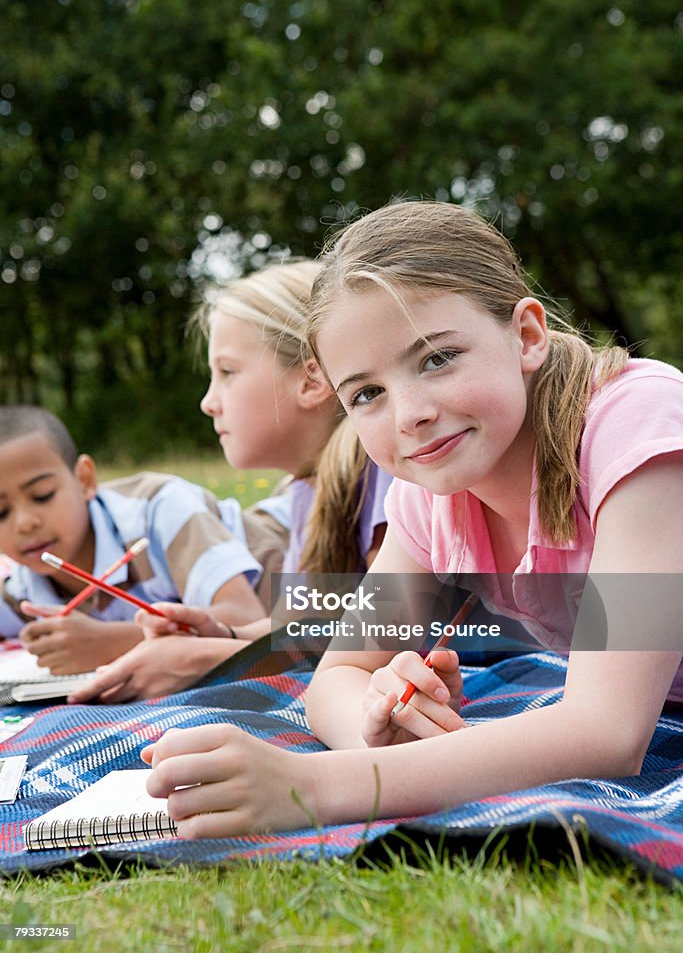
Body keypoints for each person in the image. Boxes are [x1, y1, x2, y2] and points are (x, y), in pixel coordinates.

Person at [141, 199, 683, 839]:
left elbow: (606, 730)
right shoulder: (432, 490)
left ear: (527, 336)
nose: (409, 414)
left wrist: (317, 787)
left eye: (437, 358)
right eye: (367, 394)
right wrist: (377, 722)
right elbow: (339, 674)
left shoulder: (636, 426)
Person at [69, 260, 391, 701]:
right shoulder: (307, 494)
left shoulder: (385, 472)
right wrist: (222, 632)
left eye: (227, 372)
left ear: (311, 378)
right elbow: (305, 624)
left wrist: (211, 659)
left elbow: (398, 621)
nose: (208, 402)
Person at [0, 406, 288, 674]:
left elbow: (246, 617)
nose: (25, 523)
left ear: (85, 480)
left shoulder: (159, 510)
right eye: (1, 512)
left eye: (43, 495)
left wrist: (111, 643)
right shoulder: (23, 588)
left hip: (306, 560)